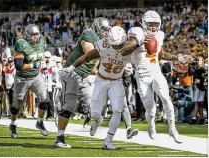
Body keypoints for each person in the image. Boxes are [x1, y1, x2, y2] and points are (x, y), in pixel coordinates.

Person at [63, 26, 139, 149]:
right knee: (94, 113)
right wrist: (71, 68)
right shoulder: (103, 45)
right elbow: (86, 57)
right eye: (113, 44)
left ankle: (108, 141)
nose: (116, 47)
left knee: (118, 110)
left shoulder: (132, 48)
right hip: (101, 80)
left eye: (119, 45)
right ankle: (97, 119)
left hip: (116, 81)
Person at [124, 10, 184, 143]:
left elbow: (161, 54)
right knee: (150, 108)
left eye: (155, 24)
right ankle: (151, 125)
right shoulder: (136, 33)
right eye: (150, 24)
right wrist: (138, 42)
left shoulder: (160, 35)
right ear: (144, 23)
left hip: (156, 72)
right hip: (142, 75)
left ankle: (172, 129)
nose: (153, 27)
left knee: (166, 99)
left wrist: (177, 58)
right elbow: (125, 50)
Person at [53, 17, 111, 148]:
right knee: (70, 106)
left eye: (107, 30)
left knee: (93, 108)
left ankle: (64, 111)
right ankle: (59, 138)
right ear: (96, 27)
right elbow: (89, 52)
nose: (105, 32)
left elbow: (94, 65)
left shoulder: (105, 42)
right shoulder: (89, 33)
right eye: (103, 29)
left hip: (84, 76)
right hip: (71, 73)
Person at [9, 24, 50, 138]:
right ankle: (13, 124)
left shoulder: (42, 41)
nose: (35, 37)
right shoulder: (21, 44)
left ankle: (40, 122)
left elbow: (40, 55)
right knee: (18, 104)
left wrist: (44, 68)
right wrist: (34, 65)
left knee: (45, 100)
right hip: (22, 78)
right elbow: (18, 65)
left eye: (37, 34)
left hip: (36, 76)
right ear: (27, 35)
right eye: (32, 35)